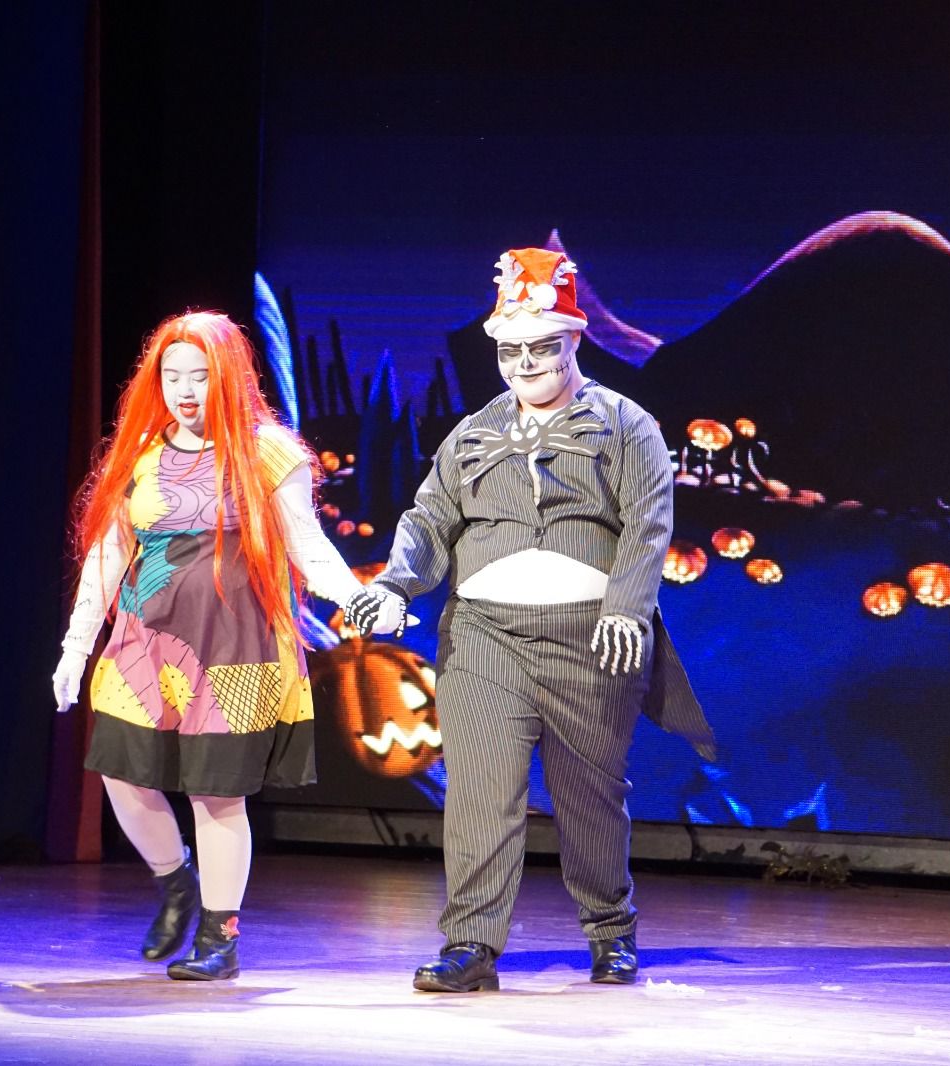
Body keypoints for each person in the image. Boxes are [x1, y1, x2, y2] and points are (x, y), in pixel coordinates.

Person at [356, 246, 715, 991]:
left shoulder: (627, 425)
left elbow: (649, 525)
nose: (524, 364)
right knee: (481, 794)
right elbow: (428, 520)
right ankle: (470, 944)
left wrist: (627, 610)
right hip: (485, 638)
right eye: (510, 350)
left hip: (591, 639)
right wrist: (394, 586)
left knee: (590, 798)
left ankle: (611, 928)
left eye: (541, 348)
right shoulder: (472, 435)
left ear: (574, 340)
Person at [52, 310, 378, 981]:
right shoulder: (142, 453)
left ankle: (219, 936)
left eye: (199, 375)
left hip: (234, 650)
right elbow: (109, 552)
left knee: (216, 793)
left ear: (227, 377)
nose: (184, 389)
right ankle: (176, 882)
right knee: (121, 773)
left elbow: (308, 547)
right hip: (144, 646)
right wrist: (76, 645)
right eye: (172, 376)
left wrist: (357, 598)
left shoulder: (267, 452)